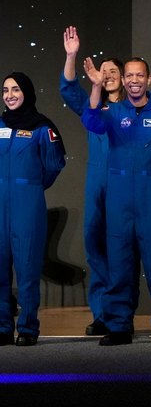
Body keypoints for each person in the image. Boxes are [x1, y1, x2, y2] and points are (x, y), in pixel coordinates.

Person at [81, 57, 151, 346]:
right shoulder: (113, 111)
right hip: (119, 200)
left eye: (139, 75)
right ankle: (119, 326)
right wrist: (95, 86)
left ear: (148, 79)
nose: (134, 80)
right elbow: (91, 121)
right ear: (124, 81)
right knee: (119, 265)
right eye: (129, 76)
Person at [61, 26, 138, 336]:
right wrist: (71, 56)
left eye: (113, 71)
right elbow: (69, 89)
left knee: (124, 251)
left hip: (125, 185)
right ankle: (102, 314)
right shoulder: (93, 106)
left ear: (124, 77)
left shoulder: (134, 107)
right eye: (103, 71)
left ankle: (123, 313)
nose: (107, 76)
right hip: (97, 184)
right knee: (95, 247)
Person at [0, 73, 66, 346]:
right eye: (5, 90)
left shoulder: (42, 127)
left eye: (15, 89)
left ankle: (27, 328)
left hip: (28, 202)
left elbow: (54, 165)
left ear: (26, 92)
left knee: (27, 267)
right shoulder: (0, 124)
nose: (10, 95)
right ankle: (3, 327)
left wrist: (31, 186)